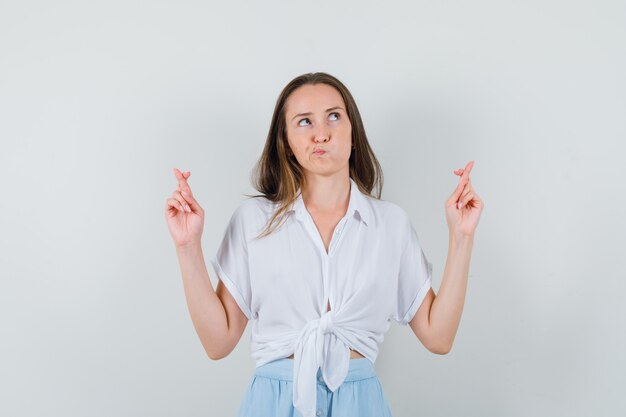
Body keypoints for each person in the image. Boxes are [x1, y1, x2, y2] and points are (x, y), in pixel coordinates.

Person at [164, 72, 484, 417]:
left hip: (359, 405)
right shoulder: (253, 221)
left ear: (352, 133)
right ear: (285, 141)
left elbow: (439, 337)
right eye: (304, 121)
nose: (321, 133)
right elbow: (218, 342)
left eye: (334, 116)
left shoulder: (390, 224)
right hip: (272, 403)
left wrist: (461, 236)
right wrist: (187, 245)